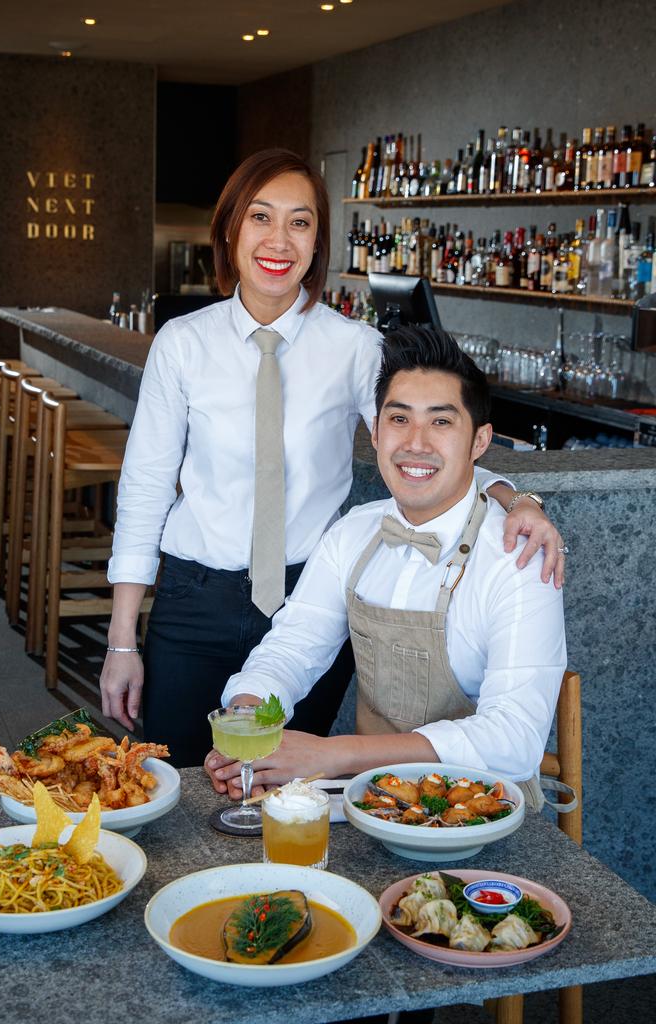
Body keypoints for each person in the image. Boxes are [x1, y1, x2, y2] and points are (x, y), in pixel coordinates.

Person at [101, 148, 565, 768]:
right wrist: (121, 638)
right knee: (181, 777)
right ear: (231, 229)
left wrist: (515, 498)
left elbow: (426, 434)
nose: (279, 240)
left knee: (286, 784)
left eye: (300, 222)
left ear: (319, 242)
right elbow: (145, 487)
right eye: (260, 217)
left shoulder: (356, 348)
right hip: (194, 596)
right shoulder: (182, 344)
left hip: (309, 590)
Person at [206, 326, 566, 805]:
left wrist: (331, 755)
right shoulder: (354, 533)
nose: (415, 443)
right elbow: (294, 644)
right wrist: (248, 720)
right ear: (375, 432)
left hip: (485, 819)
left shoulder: (517, 555)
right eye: (399, 419)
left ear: (479, 441)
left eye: (441, 423)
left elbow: (512, 738)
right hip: (369, 805)